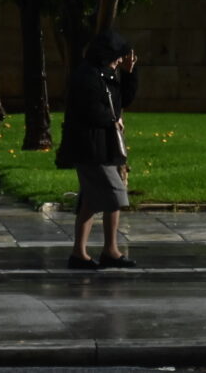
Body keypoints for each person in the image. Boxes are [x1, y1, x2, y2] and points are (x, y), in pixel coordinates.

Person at [58, 31, 139, 270]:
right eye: (117, 57)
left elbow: (124, 100)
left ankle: (93, 252)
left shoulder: (107, 74)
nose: (119, 61)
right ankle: (97, 251)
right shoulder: (87, 75)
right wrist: (111, 121)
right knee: (113, 193)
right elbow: (88, 109)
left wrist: (130, 75)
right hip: (90, 146)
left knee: (93, 200)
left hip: (105, 144)